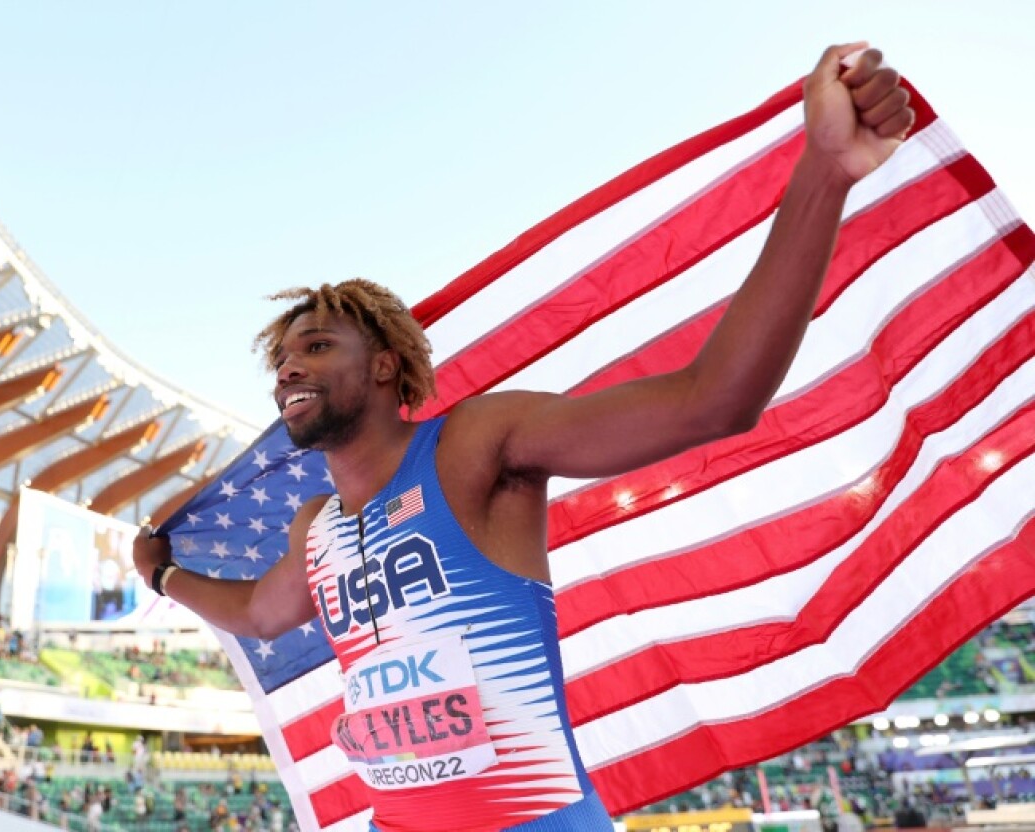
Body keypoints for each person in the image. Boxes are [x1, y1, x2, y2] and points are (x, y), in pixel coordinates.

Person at [135, 44, 913, 832]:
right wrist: (163, 578)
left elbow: (711, 401)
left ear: (384, 367)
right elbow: (262, 614)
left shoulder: (476, 444)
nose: (287, 369)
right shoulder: (318, 528)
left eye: (316, 345)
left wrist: (824, 172)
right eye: (281, 357)